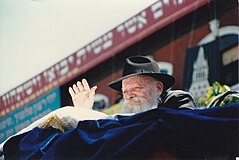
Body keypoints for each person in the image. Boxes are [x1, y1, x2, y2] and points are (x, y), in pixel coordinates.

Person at [69, 55, 197, 114]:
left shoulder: (178, 99)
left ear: (158, 88)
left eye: (137, 88)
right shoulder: (124, 118)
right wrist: (84, 112)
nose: (129, 95)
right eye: (124, 91)